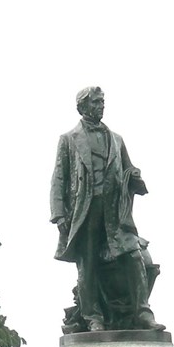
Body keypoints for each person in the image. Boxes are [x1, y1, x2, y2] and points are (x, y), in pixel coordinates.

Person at [50, 86, 163, 333]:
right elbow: (59, 178)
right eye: (97, 102)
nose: (102, 105)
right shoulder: (69, 139)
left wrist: (135, 178)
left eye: (103, 101)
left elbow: (127, 169)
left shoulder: (116, 139)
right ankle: (93, 317)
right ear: (83, 107)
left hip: (114, 212)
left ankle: (143, 311)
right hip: (85, 211)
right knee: (87, 265)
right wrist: (59, 214)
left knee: (134, 256)